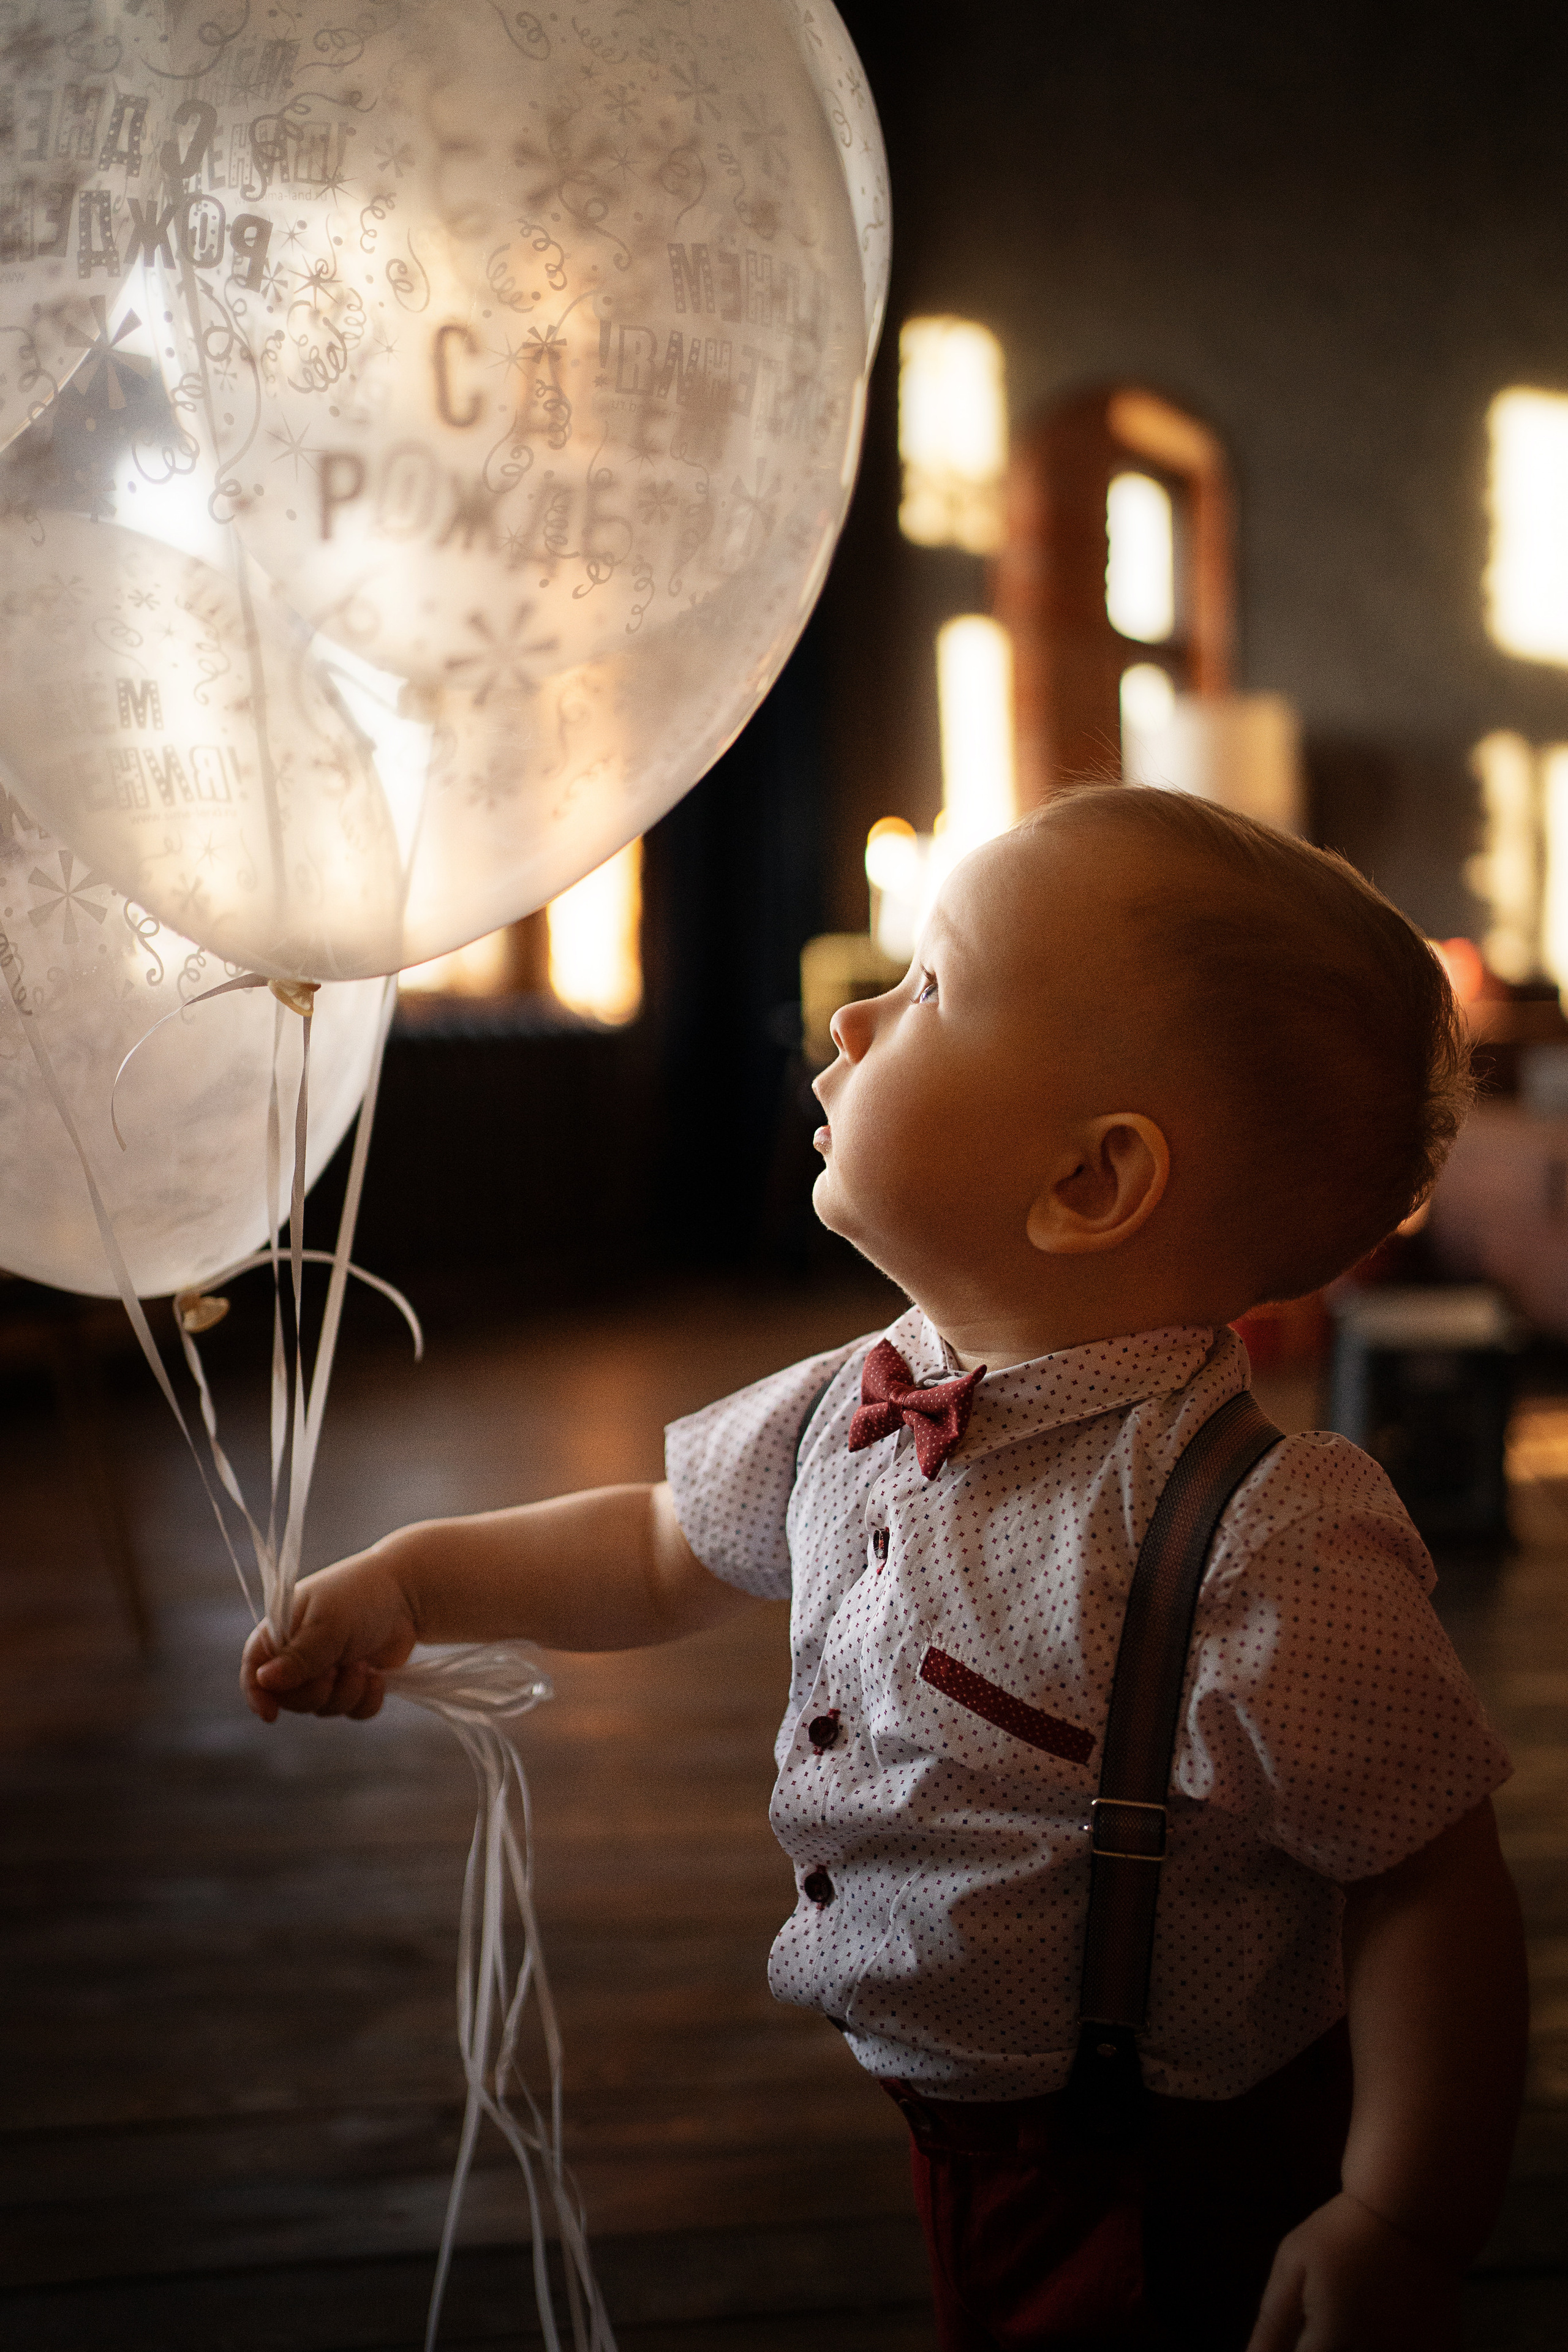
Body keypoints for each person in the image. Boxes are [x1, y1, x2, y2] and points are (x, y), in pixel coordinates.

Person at [242, 785, 1528, 2352]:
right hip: (957, 2137)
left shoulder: (1257, 1542)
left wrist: (1400, 2212)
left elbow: (1420, 1879)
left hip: (1168, 2163)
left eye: (928, 988)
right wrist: (420, 1578)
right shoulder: (858, 1396)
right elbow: (661, 1543)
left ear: (1087, 1185)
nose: (853, 1012)